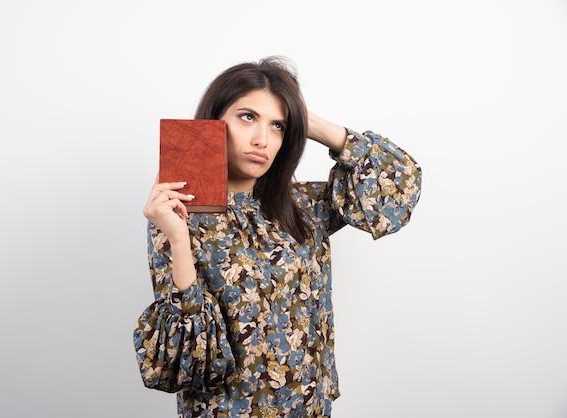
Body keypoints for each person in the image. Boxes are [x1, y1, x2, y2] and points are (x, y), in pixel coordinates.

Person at [133, 56, 422, 417]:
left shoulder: (304, 206)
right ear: (214, 122)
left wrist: (307, 121)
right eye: (248, 117)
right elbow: (189, 358)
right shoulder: (178, 212)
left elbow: (399, 183)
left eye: (278, 126)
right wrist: (177, 237)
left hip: (308, 408)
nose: (261, 139)